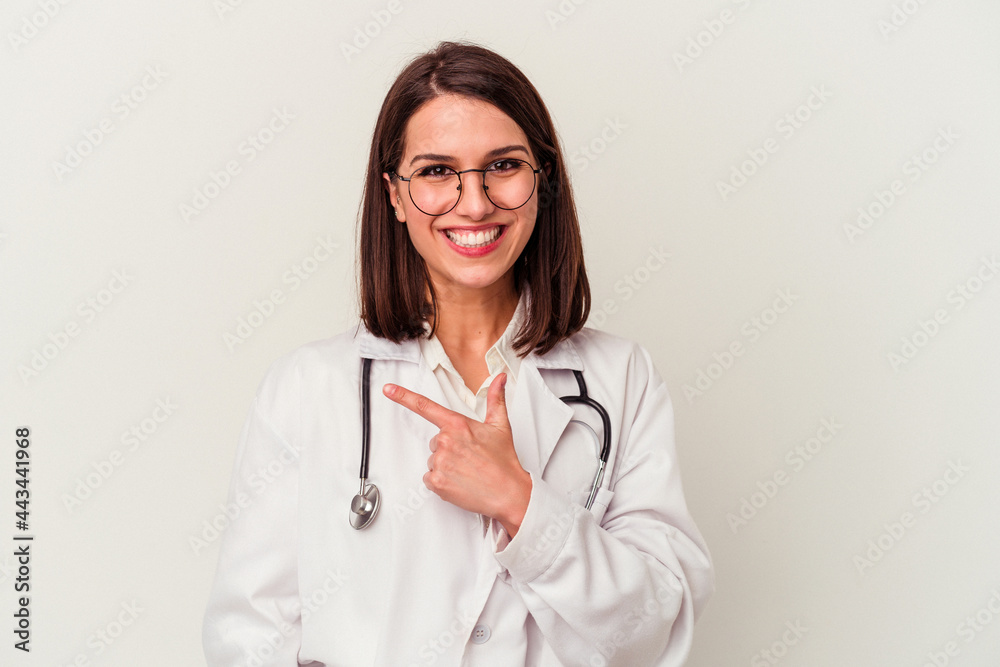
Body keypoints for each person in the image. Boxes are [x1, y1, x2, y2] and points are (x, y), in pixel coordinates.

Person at [203, 40, 714, 666]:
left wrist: (522, 503)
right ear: (394, 195)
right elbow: (249, 639)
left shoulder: (622, 379)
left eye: (503, 165)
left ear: (543, 181)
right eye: (437, 171)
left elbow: (654, 626)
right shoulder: (308, 387)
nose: (474, 203)